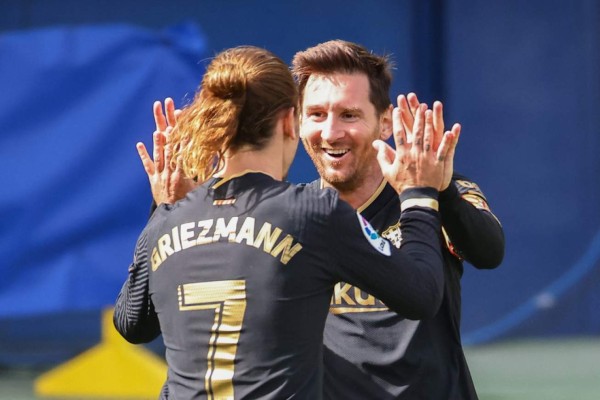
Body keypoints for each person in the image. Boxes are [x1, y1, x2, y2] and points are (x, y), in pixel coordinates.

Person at [113, 45, 460, 399]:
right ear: (288, 121)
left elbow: (130, 324)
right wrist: (419, 194)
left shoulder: (169, 218)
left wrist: (165, 206)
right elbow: (422, 295)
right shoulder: (312, 212)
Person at [290, 40, 505, 399]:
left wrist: (439, 187)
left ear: (385, 122)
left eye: (349, 115)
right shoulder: (293, 214)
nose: (330, 133)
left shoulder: (433, 196)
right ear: (297, 122)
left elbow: (489, 251)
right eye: (316, 114)